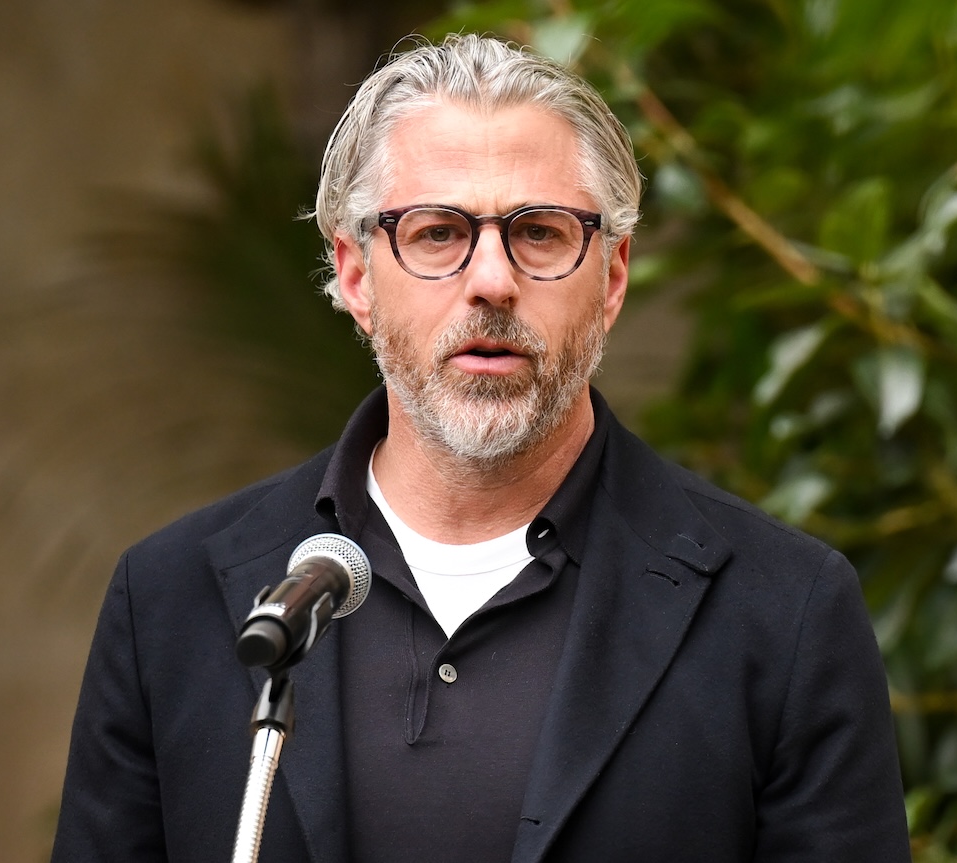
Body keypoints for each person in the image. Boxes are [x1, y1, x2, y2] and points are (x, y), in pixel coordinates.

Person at [52, 34, 910, 863]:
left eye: (539, 233)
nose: (492, 280)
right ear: (355, 276)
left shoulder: (784, 613)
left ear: (611, 277)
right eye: (437, 233)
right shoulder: (170, 602)